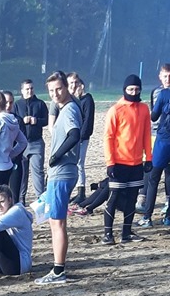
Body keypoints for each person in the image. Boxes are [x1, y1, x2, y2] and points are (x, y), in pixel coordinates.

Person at [34, 70, 82, 282]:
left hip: (63, 172)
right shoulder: (64, 107)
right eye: (51, 90)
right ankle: (58, 268)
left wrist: (57, 155)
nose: (55, 94)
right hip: (60, 172)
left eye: (58, 89)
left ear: (66, 87)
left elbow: (74, 134)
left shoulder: (70, 109)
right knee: (55, 221)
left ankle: (58, 270)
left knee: (57, 222)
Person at [99, 74, 152, 247]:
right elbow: (108, 137)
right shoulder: (116, 110)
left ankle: (126, 233)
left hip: (136, 163)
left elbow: (146, 134)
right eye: (130, 89)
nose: (134, 92)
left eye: (136, 89)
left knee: (132, 198)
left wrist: (148, 158)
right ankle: (108, 234)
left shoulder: (144, 109)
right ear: (124, 89)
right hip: (119, 163)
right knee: (113, 198)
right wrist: (110, 162)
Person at [137, 63, 170, 229]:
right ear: (160, 77)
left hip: (163, 139)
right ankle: (168, 217)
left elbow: (154, 116)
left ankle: (147, 217)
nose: (167, 79)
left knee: (153, 178)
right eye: (165, 76)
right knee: (169, 176)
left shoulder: (163, 94)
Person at [12, 79, 49, 202]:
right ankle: (21, 198)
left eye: (31, 88)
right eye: (27, 89)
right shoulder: (17, 105)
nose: (30, 91)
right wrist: (22, 120)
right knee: (22, 173)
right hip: (21, 144)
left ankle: (41, 198)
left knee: (38, 171)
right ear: (22, 91)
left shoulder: (40, 104)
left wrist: (36, 120)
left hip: (36, 142)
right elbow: (13, 120)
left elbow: (47, 120)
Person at [67, 73, 95, 204]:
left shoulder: (87, 99)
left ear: (80, 84)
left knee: (79, 164)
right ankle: (73, 192)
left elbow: (87, 120)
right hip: (69, 138)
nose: (73, 86)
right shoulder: (68, 100)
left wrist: (81, 137)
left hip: (81, 138)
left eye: (76, 83)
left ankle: (81, 192)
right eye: (71, 83)